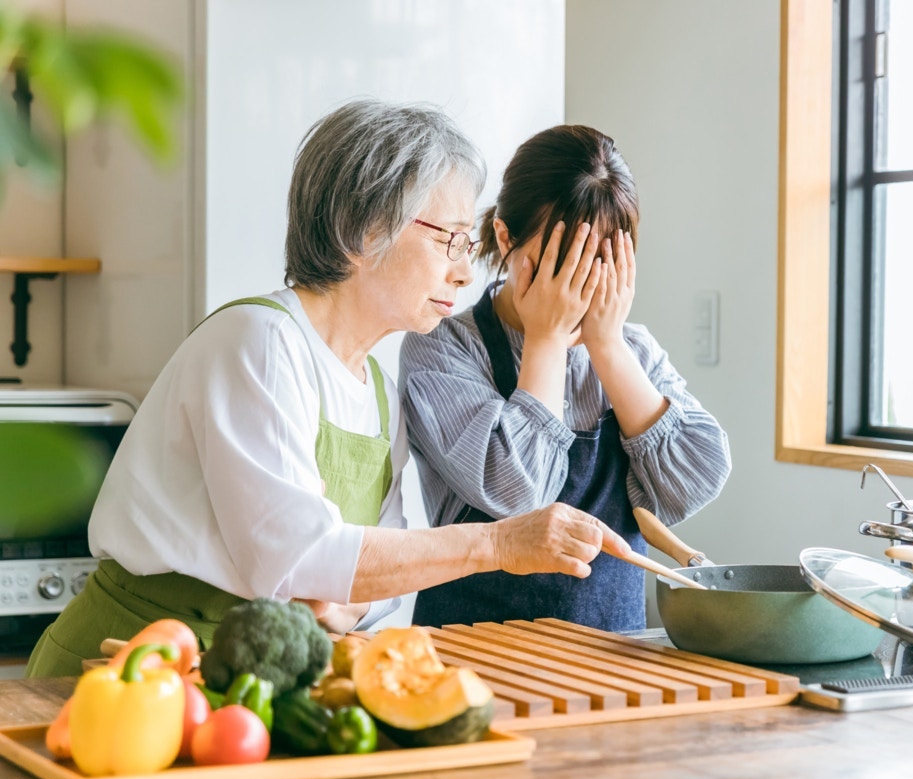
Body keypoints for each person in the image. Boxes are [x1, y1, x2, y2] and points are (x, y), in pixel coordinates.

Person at [25, 100, 628, 678]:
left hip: (250, 676)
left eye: (467, 245)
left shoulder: (379, 392)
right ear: (361, 232)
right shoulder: (259, 340)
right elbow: (297, 559)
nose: (465, 270)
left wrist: (343, 598)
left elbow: (372, 575)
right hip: (124, 666)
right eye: (448, 239)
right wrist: (499, 542)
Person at [398, 124, 731, 632]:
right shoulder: (441, 346)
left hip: (612, 661)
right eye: (561, 260)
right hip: (471, 658)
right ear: (506, 236)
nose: (579, 284)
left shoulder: (631, 349)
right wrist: (547, 340)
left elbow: (694, 483)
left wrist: (608, 347)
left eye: (598, 261)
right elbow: (517, 494)